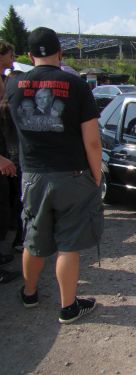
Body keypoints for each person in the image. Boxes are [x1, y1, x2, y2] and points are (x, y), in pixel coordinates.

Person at [6, 27, 103, 323]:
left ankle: (30, 293)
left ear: (30, 55)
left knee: (34, 237)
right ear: (60, 53)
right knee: (68, 244)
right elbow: (93, 141)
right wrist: (96, 175)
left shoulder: (13, 85)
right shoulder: (76, 85)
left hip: (33, 173)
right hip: (73, 175)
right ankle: (68, 306)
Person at [0, 39, 20, 283]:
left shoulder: (5, 79)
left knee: (8, 205)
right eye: (11, 53)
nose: (13, 57)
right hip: (3, 155)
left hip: (7, 151)